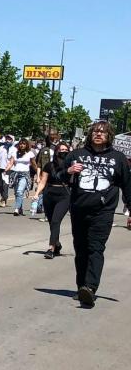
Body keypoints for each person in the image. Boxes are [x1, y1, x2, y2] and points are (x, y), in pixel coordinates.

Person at [58, 121, 131, 307]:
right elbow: (57, 176)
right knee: (81, 249)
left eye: (103, 132)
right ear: (90, 134)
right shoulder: (77, 154)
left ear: (109, 136)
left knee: (95, 248)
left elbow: (127, 186)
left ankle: (90, 287)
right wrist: (68, 171)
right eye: (95, 132)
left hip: (103, 212)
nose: (98, 134)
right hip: (79, 209)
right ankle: (81, 286)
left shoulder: (118, 158)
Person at [33, 141, 72, 259]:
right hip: (49, 194)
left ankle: (51, 248)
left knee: (56, 221)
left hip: (64, 195)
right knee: (51, 222)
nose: (64, 152)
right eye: (62, 150)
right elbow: (43, 181)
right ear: (56, 151)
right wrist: (36, 193)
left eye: (66, 150)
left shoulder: (71, 165)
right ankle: (57, 243)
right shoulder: (49, 165)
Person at [7, 139, 38, 216]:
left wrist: (38, 174)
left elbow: (34, 165)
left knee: (20, 191)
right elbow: (11, 163)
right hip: (15, 174)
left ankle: (16, 209)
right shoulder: (15, 153)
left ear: (26, 145)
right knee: (16, 193)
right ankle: (20, 208)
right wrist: (6, 170)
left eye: (24, 144)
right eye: (21, 144)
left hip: (24, 175)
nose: (22, 145)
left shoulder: (30, 153)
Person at [0, 134, 13, 206]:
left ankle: (4, 199)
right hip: (1, 168)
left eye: (9, 139)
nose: (8, 140)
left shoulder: (13, 149)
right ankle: (4, 196)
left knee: (5, 185)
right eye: (7, 139)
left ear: (12, 140)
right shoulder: (1, 147)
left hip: (9, 169)